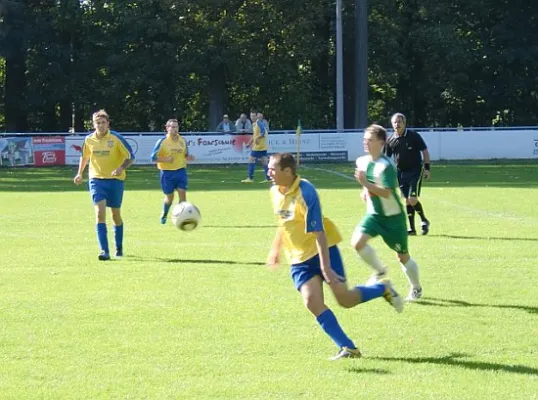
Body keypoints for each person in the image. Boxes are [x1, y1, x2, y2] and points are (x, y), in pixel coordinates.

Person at [266, 152, 404, 360]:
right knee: (312, 301)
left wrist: (326, 267)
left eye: (272, 169)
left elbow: (319, 232)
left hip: (324, 249)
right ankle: (348, 348)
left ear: (287, 171)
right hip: (298, 259)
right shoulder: (275, 191)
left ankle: (382, 288)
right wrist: (275, 250)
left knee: (345, 300)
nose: (269, 172)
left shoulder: (306, 192)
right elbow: (284, 222)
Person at [353, 124, 423, 301]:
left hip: (393, 219)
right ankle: (380, 271)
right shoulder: (362, 161)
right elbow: (369, 183)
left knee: (402, 256)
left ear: (382, 142)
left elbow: (386, 192)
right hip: (374, 215)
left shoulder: (386, 166)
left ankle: (416, 288)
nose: (365, 142)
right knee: (357, 243)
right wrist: (365, 191)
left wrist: (365, 185)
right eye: (364, 139)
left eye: (370, 140)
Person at [74, 110, 135, 260]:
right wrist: (79, 173)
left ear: (108, 123)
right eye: (97, 123)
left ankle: (119, 247)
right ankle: (104, 251)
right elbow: (85, 156)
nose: (100, 125)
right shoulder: (89, 140)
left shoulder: (116, 138)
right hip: (96, 180)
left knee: (115, 215)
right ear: (93, 124)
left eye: (103, 123)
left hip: (115, 181)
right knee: (100, 213)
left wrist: (120, 168)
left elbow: (130, 156)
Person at [385, 113, 431, 235]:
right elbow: (387, 159)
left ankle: (423, 220)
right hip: (401, 173)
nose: (397, 124)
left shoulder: (413, 136)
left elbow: (425, 151)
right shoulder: (390, 140)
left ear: (404, 123)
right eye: (395, 122)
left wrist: (427, 168)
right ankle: (412, 229)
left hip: (415, 170)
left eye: (399, 122)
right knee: (407, 200)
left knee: (412, 199)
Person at [150, 119, 195, 224]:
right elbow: (152, 158)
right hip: (167, 173)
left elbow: (186, 155)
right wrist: (166, 160)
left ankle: (180, 217)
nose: (175, 129)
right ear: (167, 128)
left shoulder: (182, 140)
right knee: (169, 198)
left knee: (183, 196)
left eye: (176, 127)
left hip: (181, 171)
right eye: (172, 127)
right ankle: (164, 213)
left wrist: (189, 157)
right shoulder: (162, 141)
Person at [241, 112, 270, 183]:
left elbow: (263, 132)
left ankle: (250, 178)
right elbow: (254, 135)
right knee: (265, 162)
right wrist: (249, 143)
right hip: (263, 146)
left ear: (257, 116)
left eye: (254, 116)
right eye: (251, 116)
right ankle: (268, 178)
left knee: (251, 160)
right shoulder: (254, 124)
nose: (252, 117)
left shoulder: (258, 123)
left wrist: (257, 138)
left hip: (258, 146)